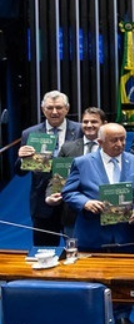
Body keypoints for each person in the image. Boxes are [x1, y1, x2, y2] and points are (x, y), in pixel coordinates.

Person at [62, 122, 134, 324]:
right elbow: (69, 192)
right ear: (99, 142)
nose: (120, 144)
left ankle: (123, 314)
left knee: (124, 276)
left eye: (123, 139)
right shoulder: (82, 162)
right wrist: (85, 203)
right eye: (114, 140)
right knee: (92, 276)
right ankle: (93, 317)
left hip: (124, 231)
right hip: (92, 230)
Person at [15, 90, 83, 245]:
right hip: (42, 202)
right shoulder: (29, 133)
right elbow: (19, 172)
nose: (54, 112)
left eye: (59, 107)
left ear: (67, 108)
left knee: (77, 253)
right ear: (42, 109)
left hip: (74, 200)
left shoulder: (81, 130)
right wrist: (21, 158)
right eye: (50, 108)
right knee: (44, 252)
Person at [46, 106, 107, 239]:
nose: (89, 125)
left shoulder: (111, 147)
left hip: (105, 212)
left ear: (104, 124)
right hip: (73, 214)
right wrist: (50, 196)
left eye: (94, 122)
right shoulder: (68, 147)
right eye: (85, 122)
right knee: (74, 255)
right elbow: (56, 178)